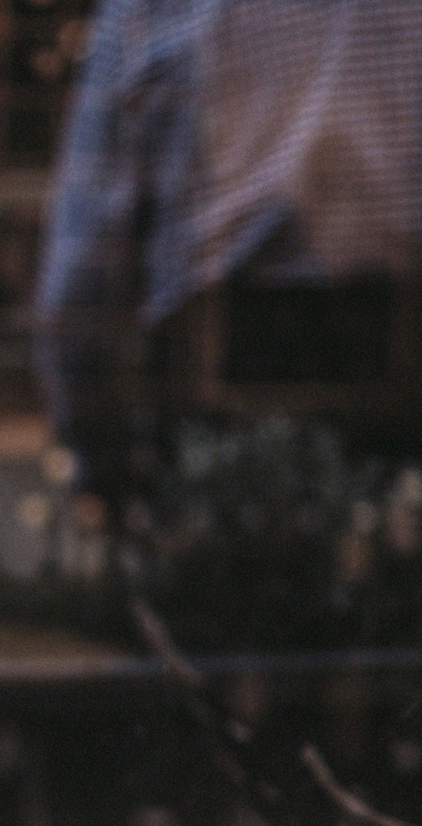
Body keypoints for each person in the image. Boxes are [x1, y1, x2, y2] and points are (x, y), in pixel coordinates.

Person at [34, 0, 422, 499]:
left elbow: (82, 271)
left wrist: (98, 468)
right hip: (401, 415)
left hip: (209, 431)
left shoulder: (149, 10)